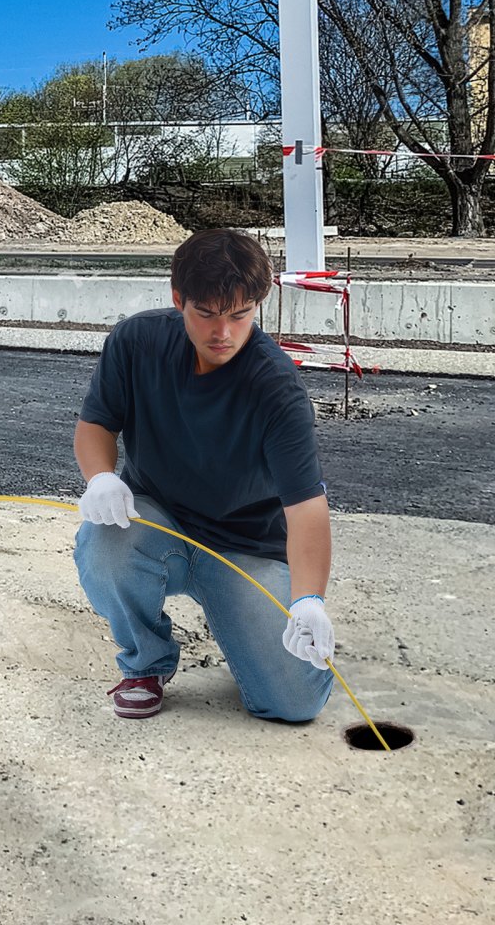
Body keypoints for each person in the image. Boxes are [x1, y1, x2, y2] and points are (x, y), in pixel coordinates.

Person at [73, 228, 335, 721]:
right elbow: (95, 425)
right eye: (207, 313)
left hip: (246, 547)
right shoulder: (137, 342)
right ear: (179, 299)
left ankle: (264, 622)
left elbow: (306, 508)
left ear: (258, 304)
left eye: (240, 315)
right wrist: (100, 477)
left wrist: (309, 599)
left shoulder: (276, 389)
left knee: (293, 704)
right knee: (104, 542)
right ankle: (146, 663)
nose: (224, 333)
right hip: (159, 523)